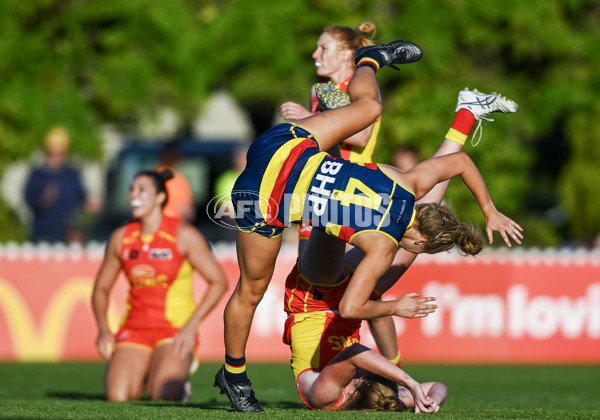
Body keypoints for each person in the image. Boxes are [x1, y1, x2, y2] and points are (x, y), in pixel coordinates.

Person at [214, 40, 522, 412]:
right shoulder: (383, 244)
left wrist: (489, 210)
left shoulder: (406, 184)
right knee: (254, 289)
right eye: (420, 245)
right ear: (419, 236)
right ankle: (234, 376)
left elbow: (459, 165)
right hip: (266, 196)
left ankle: (372, 61)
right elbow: (351, 309)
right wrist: (396, 314)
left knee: (370, 108)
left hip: (282, 148)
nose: (414, 251)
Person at [91, 168, 228, 402]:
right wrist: (104, 330)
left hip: (175, 331)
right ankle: (147, 371)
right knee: (118, 396)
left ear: (160, 198)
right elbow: (100, 289)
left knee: (163, 395)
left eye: (142, 190)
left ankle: (175, 380)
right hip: (134, 329)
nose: (133, 195)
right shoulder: (121, 237)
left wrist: (192, 325)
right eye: (131, 189)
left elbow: (219, 282)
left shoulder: (183, 235)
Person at [284, 225, 447, 412]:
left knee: (330, 220)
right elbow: (437, 386)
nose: (363, 371)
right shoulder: (382, 396)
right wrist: (432, 399)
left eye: (364, 374)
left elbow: (355, 354)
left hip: (314, 302)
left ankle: (307, 227)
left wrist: (408, 381)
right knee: (411, 231)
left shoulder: (327, 397)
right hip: (351, 303)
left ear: (356, 391)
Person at [279, 22, 381, 250]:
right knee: (305, 268)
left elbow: (362, 136)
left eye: (324, 48)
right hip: (318, 187)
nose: (316, 54)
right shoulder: (318, 91)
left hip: (351, 191)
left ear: (346, 54)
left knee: (340, 274)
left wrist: (308, 119)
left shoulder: (359, 88)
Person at [24, 126, 89, 243]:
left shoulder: (72, 174)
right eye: (52, 154)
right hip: (43, 234)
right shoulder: (37, 175)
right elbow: (28, 199)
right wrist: (43, 199)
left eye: (60, 154)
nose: (56, 158)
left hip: (68, 235)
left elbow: (83, 198)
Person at [157, 140, 195, 222]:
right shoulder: (179, 179)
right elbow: (187, 211)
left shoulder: (152, 177)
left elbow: (187, 210)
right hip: (171, 225)